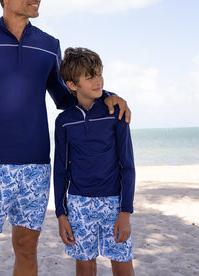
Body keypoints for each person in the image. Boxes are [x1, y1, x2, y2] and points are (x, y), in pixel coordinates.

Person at [0, 0, 131, 276]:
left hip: (35, 169)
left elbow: (65, 96)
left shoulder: (48, 46)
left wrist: (107, 94)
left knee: (27, 251)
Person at [54, 47, 136, 276]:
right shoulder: (64, 121)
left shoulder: (115, 112)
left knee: (122, 265)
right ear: (72, 85)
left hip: (114, 202)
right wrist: (61, 215)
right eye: (90, 77)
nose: (98, 81)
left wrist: (125, 212)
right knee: (85, 266)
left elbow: (128, 166)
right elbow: (60, 170)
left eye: (99, 74)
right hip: (78, 204)